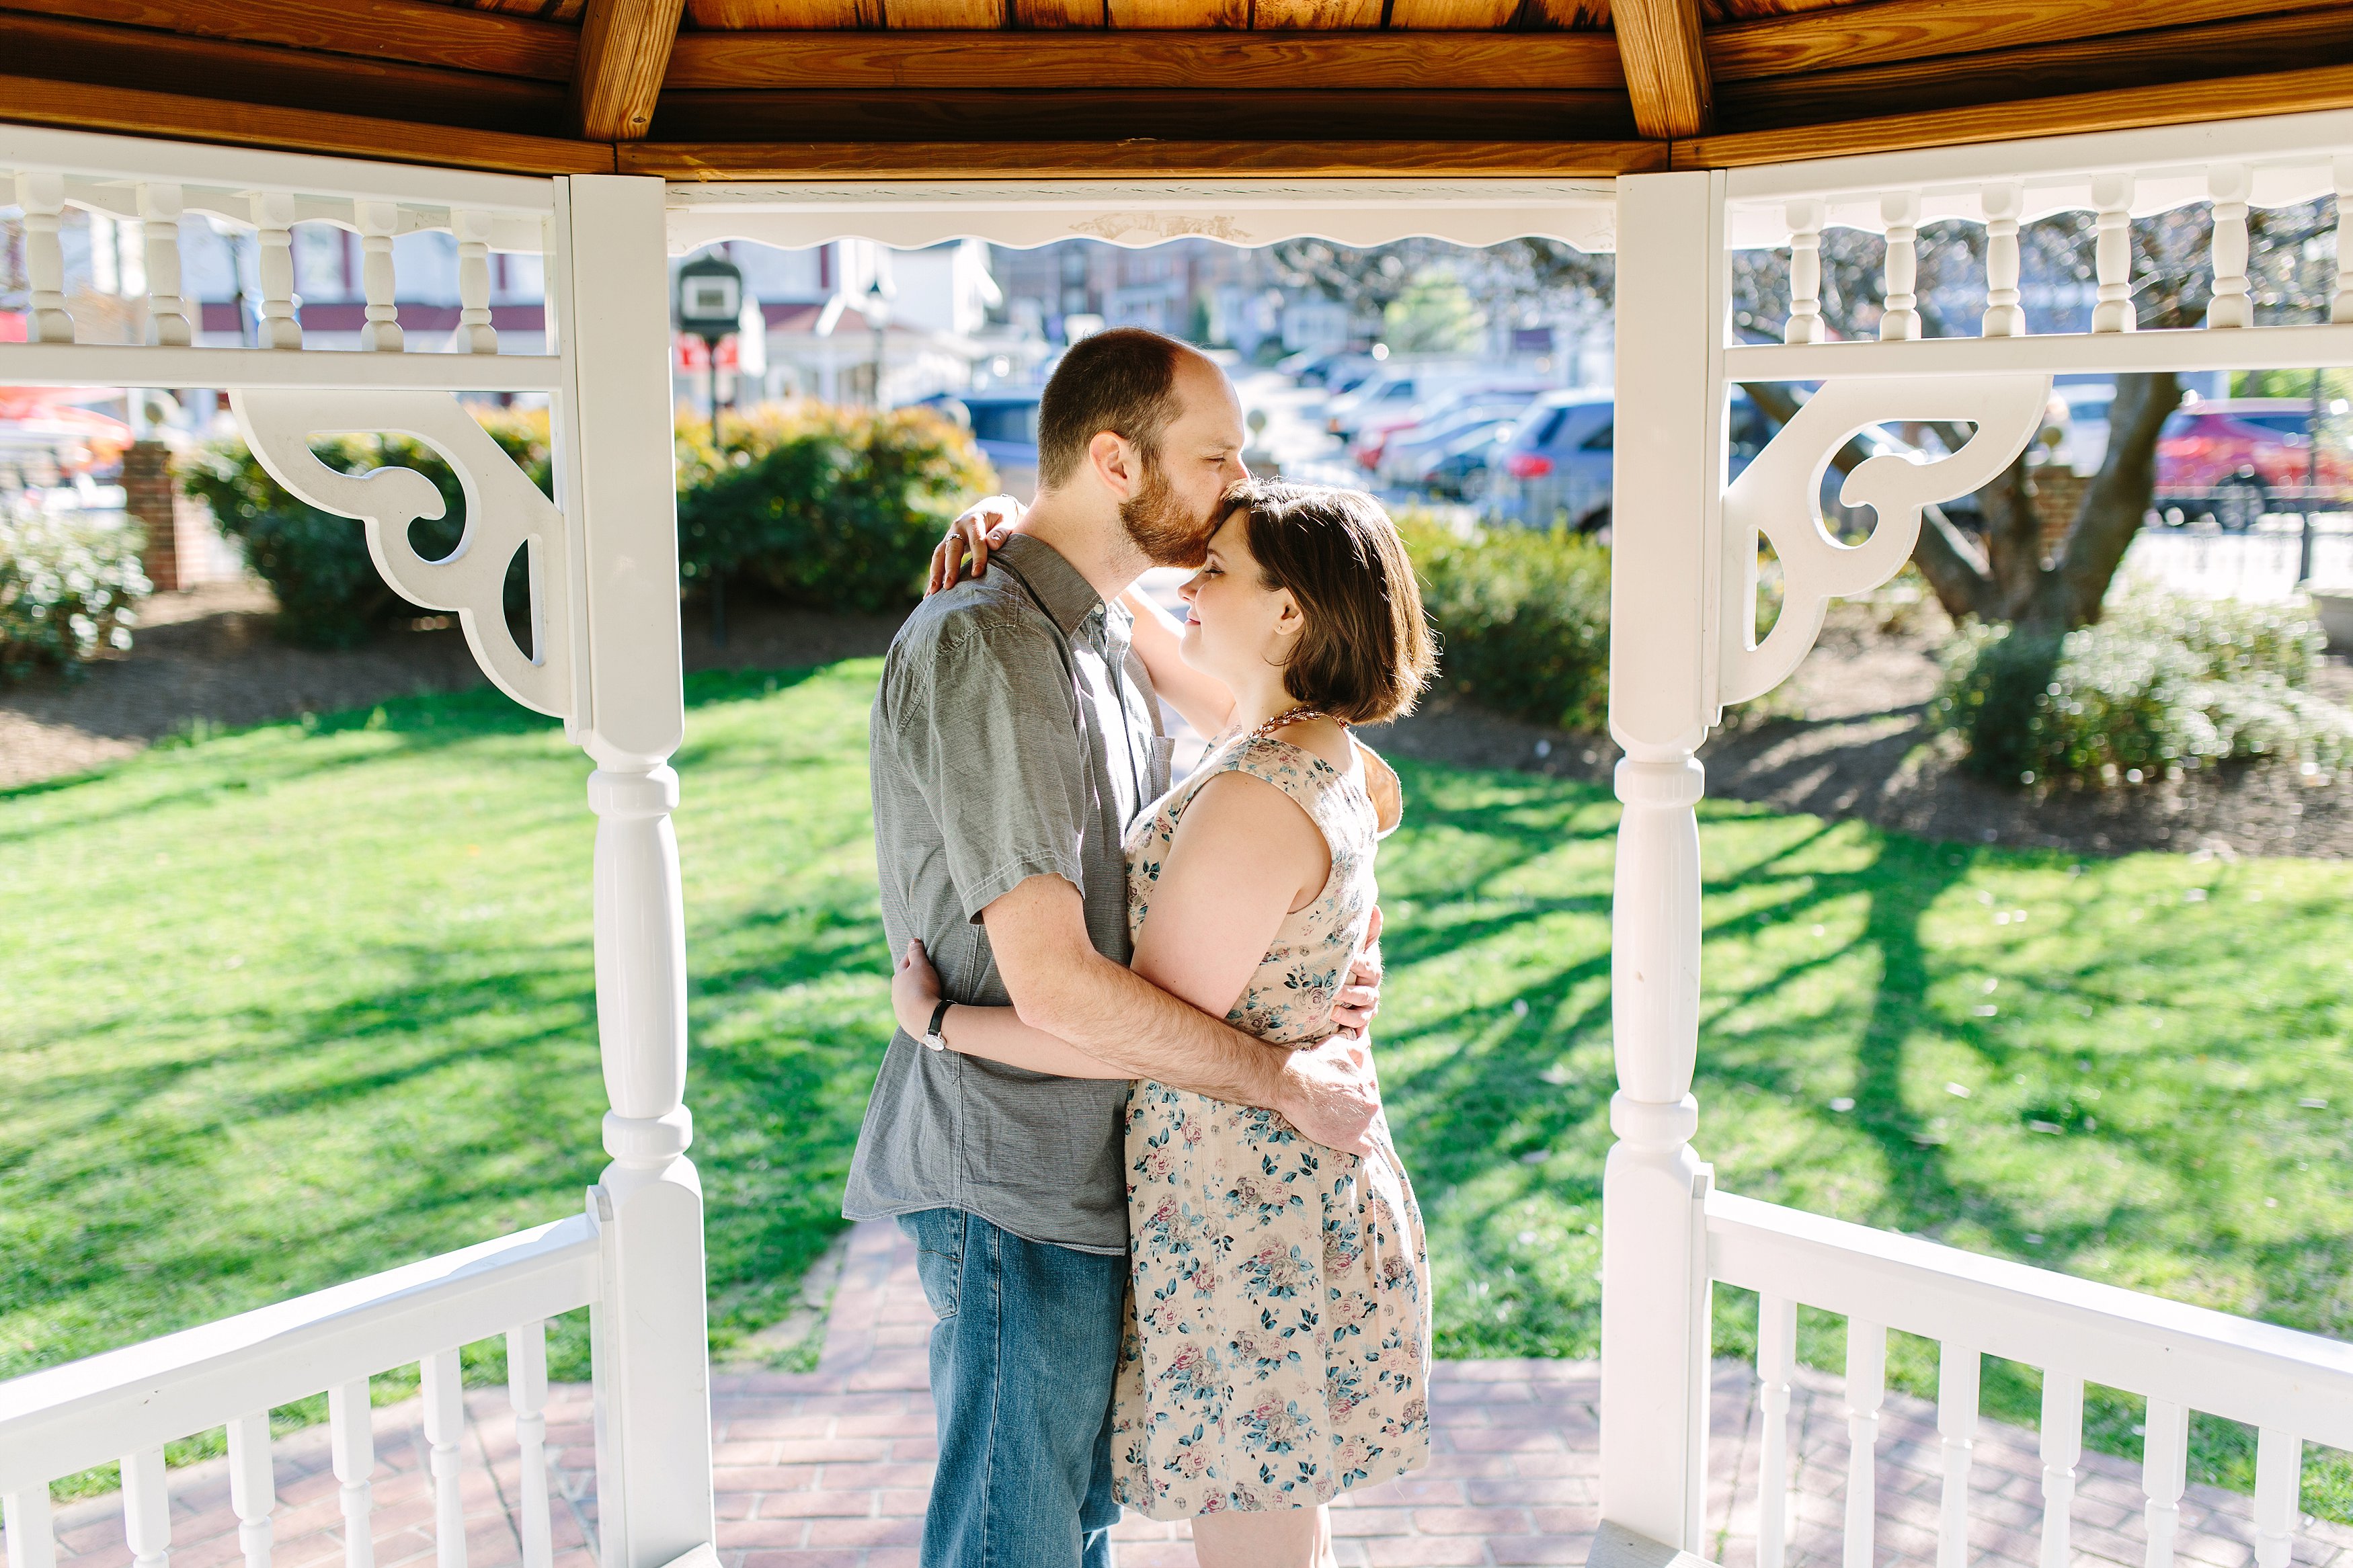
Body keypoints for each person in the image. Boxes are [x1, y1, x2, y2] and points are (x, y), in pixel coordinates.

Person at [850, 327, 1387, 1568]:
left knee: (1065, 1539)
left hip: (1107, 1172)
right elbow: (1052, 980)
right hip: (1013, 1178)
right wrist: (1281, 1077)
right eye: (1217, 457)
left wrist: (1333, 954)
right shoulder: (986, 643)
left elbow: (1328, 772)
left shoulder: (1102, 630)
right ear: (1116, 461)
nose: (1240, 486)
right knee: (1016, 1546)